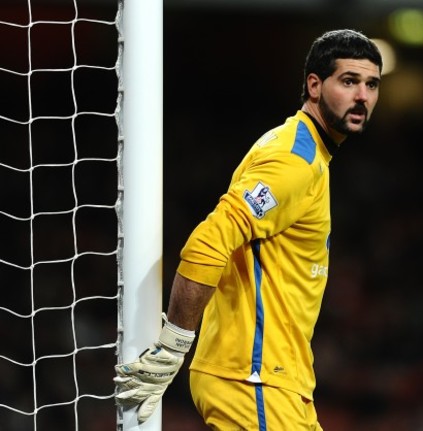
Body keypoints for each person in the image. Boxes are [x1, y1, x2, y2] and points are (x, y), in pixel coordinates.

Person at [114, 28, 383, 430]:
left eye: (371, 85)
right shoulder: (295, 161)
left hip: (277, 381)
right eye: (349, 81)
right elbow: (210, 240)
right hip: (252, 379)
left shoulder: (305, 152)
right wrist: (173, 348)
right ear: (314, 84)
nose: (362, 96)